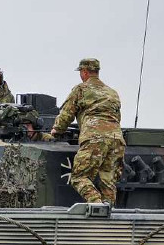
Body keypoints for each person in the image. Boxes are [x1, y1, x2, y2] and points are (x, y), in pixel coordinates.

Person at [49, 58, 124, 204]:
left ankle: (96, 204)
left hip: (94, 137)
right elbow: (117, 117)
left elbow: (67, 114)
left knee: (79, 177)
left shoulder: (81, 89)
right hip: (116, 139)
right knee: (108, 181)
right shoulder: (112, 93)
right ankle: (109, 215)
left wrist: (56, 131)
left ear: (84, 72)